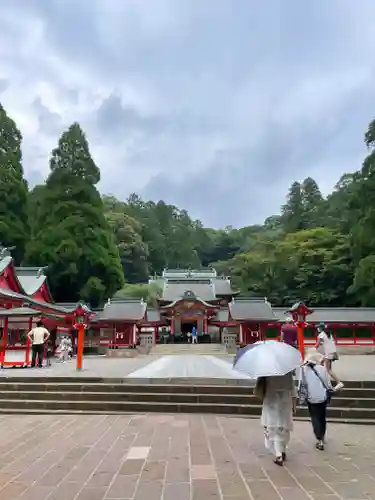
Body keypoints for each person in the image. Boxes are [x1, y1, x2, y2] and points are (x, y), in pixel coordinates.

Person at [258, 371, 296, 466]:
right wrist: (294, 404)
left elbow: (261, 388)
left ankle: (278, 454)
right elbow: (293, 389)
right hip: (285, 403)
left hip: (271, 401)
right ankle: (282, 450)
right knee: (283, 428)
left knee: (273, 429)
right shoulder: (288, 372)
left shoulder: (268, 371)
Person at [299, 349, 332, 450]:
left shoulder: (303, 370)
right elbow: (327, 383)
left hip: (311, 397)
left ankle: (319, 439)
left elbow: (301, 384)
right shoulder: (322, 369)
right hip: (322, 397)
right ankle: (322, 436)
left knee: (315, 417)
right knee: (322, 417)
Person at [315, 323, 344, 390]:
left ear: (321, 328)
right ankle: (326, 381)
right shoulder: (328, 334)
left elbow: (317, 345)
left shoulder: (321, 335)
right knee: (321, 363)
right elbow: (324, 343)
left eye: (318, 327)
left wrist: (310, 349)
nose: (317, 328)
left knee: (329, 370)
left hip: (328, 353)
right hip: (332, 352)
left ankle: (339, 382)